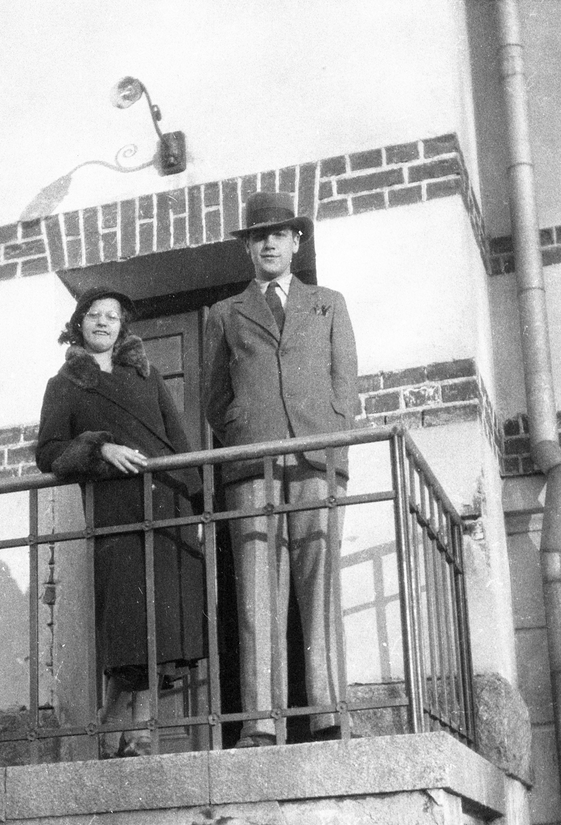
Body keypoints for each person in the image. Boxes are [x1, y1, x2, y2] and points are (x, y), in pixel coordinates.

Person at [203, 191, 359, 748]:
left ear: (296, 243)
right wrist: (246, 429)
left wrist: (332, 430)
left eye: (279, 234)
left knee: (321, 589)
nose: (269, 243)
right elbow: (214, 399)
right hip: (253, 466)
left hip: (318, 459)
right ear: (247, 247)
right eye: (258, 236)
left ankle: (328, 713)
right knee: (256, 597)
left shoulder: (329, 303)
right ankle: (261, 723)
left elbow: (346, 381)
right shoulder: (224, 313)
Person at [36, 286, 205, 757]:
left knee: (164, 622)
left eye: (112, 316)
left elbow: (179, 441)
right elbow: (48, 452)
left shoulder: (146, 376)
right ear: (79, 323)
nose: (103, 322)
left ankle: (138, 732)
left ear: (122, 327)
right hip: (117, 512)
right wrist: (100, 448)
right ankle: (114, 721)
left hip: (168, 506)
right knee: (128, 624)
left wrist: (199, 504)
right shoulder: (65, 384)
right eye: (94, 315)